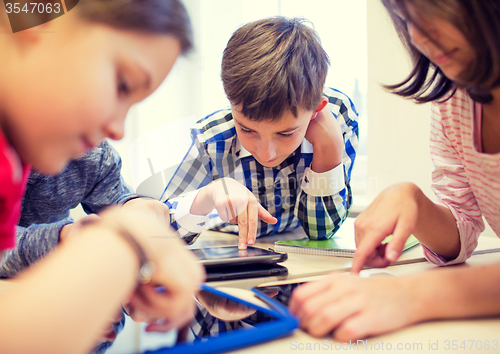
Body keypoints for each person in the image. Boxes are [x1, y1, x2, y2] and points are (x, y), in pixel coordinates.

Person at [0, 1, 204, 353]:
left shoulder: (22, 155)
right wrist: (122, 237)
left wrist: (140, 214)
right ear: (41, 20)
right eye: (122, 85)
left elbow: (124, 202)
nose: (118, 128)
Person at [290, 0, 500, 342]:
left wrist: (413, 295)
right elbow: (461, 236)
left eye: (431, 9)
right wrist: (414, 202)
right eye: (405, 19)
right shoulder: (453, 101)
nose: (417, 35)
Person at [161, 17, 359, 248]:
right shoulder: (211, 138)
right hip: (225, 245)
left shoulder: (338, 117)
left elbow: (323, 231)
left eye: (286, 133)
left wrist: (329, 146)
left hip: (297, 259)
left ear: (316, 110)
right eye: (246, 129)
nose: (267, 154)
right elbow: (158, 231)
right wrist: (207, 195)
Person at [0, 140, 172, 353]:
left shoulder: (92, 150)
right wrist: (64, 240)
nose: (117, 130)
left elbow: (117, 201)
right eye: (119, 103)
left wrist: (131, 206)